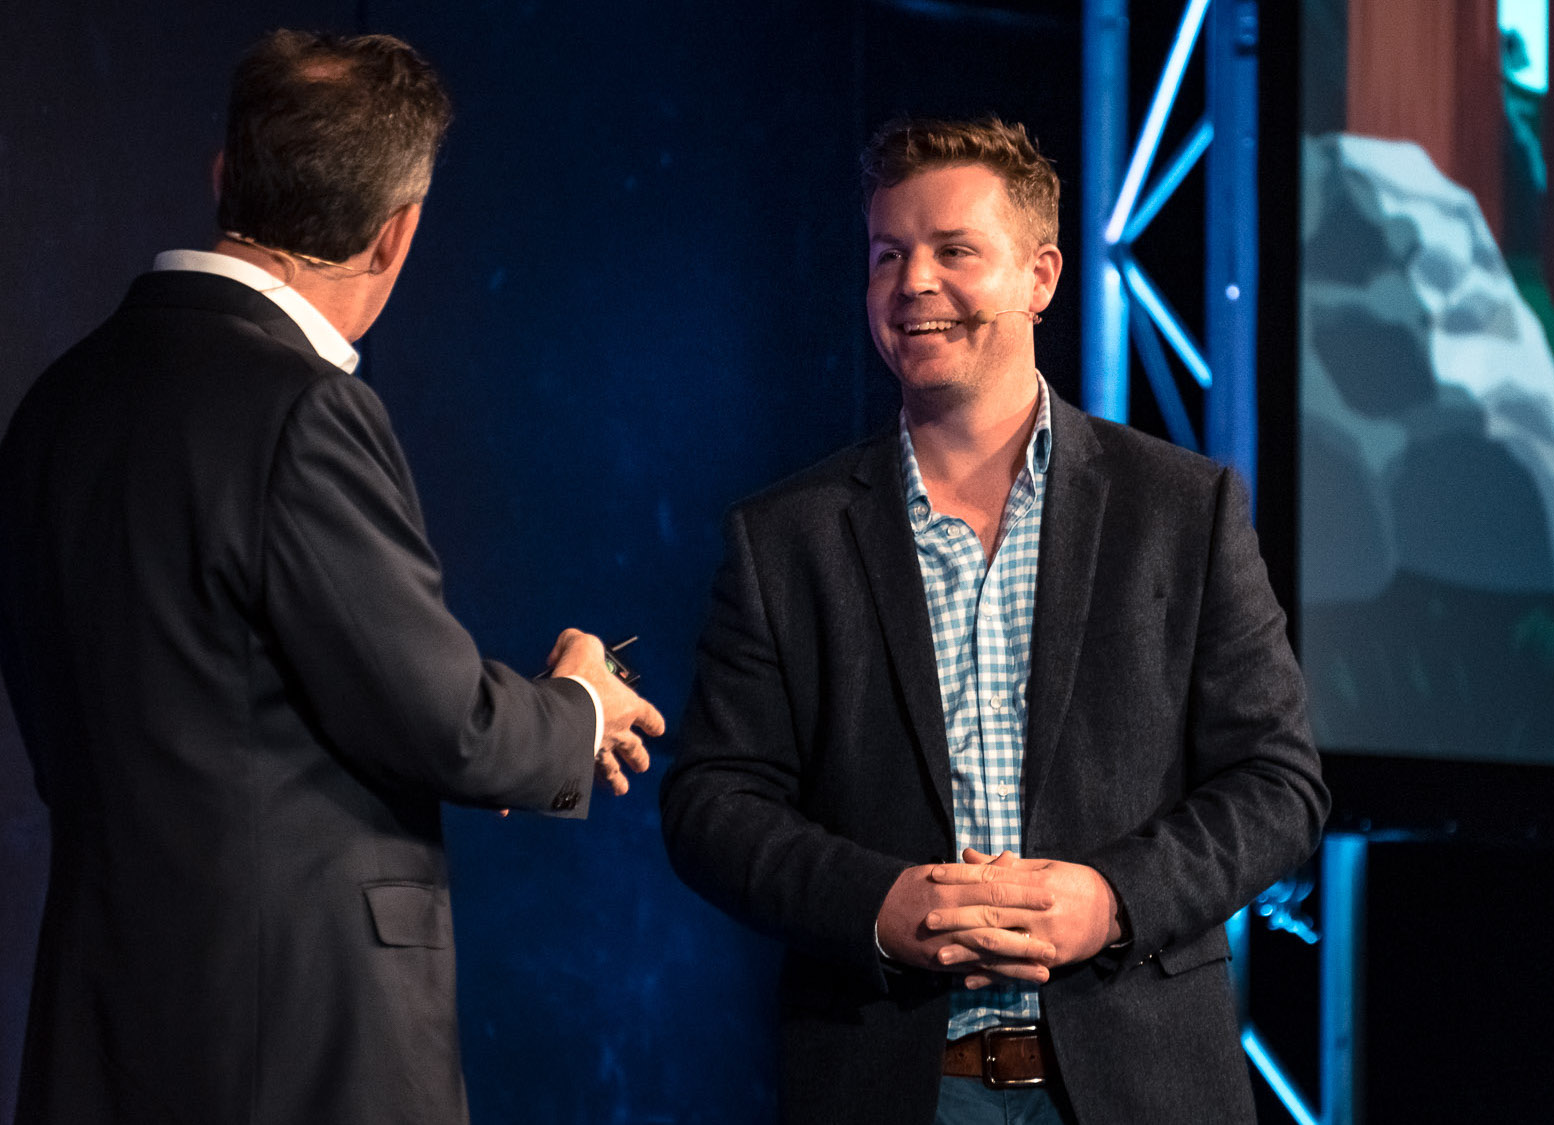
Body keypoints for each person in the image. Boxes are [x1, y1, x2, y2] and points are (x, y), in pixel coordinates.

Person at [0, 30, 664, 1125]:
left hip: (98, 1027)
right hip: (295, 1042)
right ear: (395, 234)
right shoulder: (303, 410)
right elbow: (441, 720)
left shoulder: (54, 407)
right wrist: (578, 706)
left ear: (222, 177)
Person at [661, 117, 1329, 1125]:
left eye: (953, 251)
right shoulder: (785, 536)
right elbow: (712, 802)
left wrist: (1110, 902)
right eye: (888, 255)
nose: (912, 283)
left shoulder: (1179, 510)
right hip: (894, 1086)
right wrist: (876, 907)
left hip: (1137, 1089)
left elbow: (1277, 785)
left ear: (1042, 277)